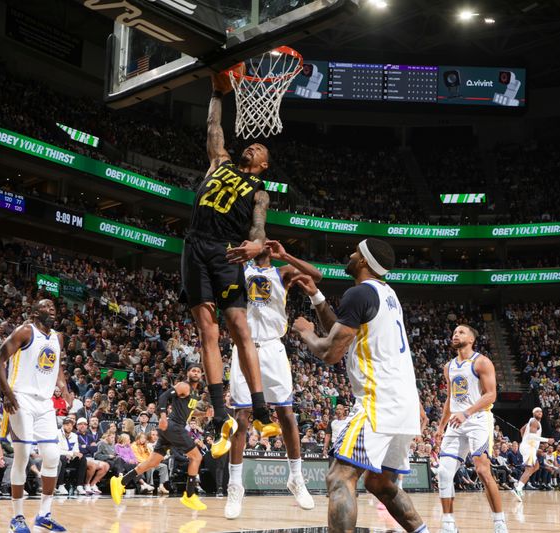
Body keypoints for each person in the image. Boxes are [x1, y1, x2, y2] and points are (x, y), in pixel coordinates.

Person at [292, 238, 429, 533]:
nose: (350, 255)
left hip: (378, 402)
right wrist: (317, 297)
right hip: (402, 403)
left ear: (364, 261)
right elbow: (343, 332)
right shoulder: (387, 295)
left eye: (355, 252)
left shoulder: (359, 293)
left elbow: (331, 351)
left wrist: (305, 332)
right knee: (381, 482)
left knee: (339, 478)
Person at [179, 72, 281, 459]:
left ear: (264, 165)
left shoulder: (260, 192)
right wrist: (217, 92)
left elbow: (258, 233)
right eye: (252, 143)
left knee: (239, 327)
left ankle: (258, 408)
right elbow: (213, 126)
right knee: (207, 328)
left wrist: (254, 249)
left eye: (259, 148)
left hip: (225, 252)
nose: (252, 147)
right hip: (195, 246)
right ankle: (221, 411)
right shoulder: (219, 162)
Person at [225, 240, 322, 519]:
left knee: (287, 414)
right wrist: (242, 252)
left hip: (273, 347)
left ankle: (296, 477)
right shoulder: (239, 268)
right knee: (241, 417)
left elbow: (317, 276)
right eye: (248, 241)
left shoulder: (282, 273)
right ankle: (235, 486)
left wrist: (285, 254)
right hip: (244, 346)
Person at [0, 299, 70, 533]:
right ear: (36, 312)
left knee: (52, 456)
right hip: (21, 398)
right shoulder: (25, 331)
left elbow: (57, 365)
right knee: (23, 454)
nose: (52, 311)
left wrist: (64, 388)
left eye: (54, 308)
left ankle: (44, 515)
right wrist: (6, 393)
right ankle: (17, 517)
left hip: (45, 402)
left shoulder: (58, 338)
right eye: (47, 308)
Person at [435, 325, 506, 533]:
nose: (455, 334)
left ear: (472, 339)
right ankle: (448, 525)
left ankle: (499, 523)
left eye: (461, 332)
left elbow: (491, 395)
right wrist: (441, 426)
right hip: (455, 424)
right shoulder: (448, 367)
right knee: (443, 472)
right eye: (454, 332)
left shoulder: (481, 362)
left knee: (483, 470)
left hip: (477, 420)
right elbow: (450, 399)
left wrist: (466, 412)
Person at [111, 363, 209, 511]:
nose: (196, 373)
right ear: (188, 373)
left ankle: (121, 482)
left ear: (201, 375)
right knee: (196, 457)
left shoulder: (194, 393)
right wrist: (163, 417)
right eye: (193, 370)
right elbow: (163, 396)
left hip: (171, 428)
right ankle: (189, 495)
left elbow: (188, 411)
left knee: (152, 462)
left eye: (198, 371)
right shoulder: (184, 385)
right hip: (173, 426)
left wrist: (203, 414)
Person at [512, 407, 545, 501]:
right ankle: (518, 488)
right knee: (529, 469)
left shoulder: (532, 422)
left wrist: (524, 441)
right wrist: (547, 440)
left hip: (530, 448)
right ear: (533, 413)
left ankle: (519, 483)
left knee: (536, 466)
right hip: (529, 448)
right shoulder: (534, 422)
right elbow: (531, 436)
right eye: (537, 411)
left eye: (541, 411)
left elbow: (521, 430)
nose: (540, 412)